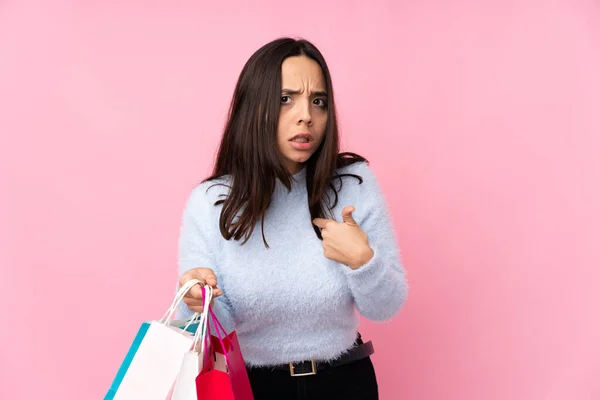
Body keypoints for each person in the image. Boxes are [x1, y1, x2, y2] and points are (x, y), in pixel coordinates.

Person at [176, 37, 408, 400]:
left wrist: (363, 262)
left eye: (319, 101)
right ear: (254, 107)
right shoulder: (211, 202)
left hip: (345, 382)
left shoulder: (353, 184)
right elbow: (213, 326)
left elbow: (386, 307)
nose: (306, 116)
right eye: (286, 99)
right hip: (252, 388)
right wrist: (198, 299)